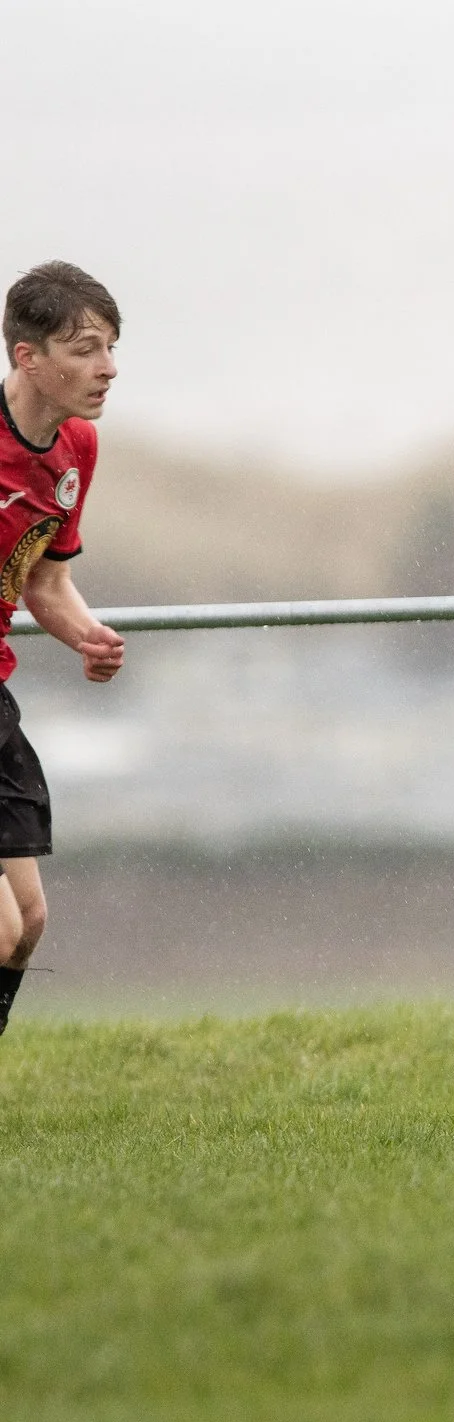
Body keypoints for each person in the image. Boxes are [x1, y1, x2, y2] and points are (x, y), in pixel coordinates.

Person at [0, 262, 129, 1039]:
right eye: (85, 349)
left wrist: (88, 635)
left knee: (32, 920)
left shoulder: (75, 448)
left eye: (112, 348)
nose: (108, 368)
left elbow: (44, 583)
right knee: (1, 930)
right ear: (28, 357)